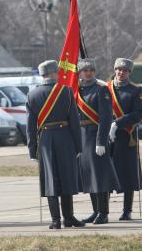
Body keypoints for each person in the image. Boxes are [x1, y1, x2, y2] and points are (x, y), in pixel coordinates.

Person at [26, 60, 84, 229]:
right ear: (53, 73)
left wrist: (32, 150)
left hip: (45, 139)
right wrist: (78, 146)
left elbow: (30, 127)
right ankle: (69, 218)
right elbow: (74, 121)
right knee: (66, 177)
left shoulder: (32, 95)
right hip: (65, 137)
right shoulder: (66, 91)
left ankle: (55, 220)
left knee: (50, 179)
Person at [76, 59, 120, 225]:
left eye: (91, 70)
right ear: (80, 72)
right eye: (85, 70)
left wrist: (101, 141)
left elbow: (106, 117)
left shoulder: (101, 90)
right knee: (89, 177)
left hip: (96, 136)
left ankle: (103, 213)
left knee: (100, 177)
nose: (88, 73)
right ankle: (95, 211)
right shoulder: (78, 90)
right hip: (82, 137)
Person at [108, 58, 142, 221]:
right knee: (106, 173)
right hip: (107, 136)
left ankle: (127, 210)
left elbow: (138, 114)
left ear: (129, 72)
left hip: (127, 136)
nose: (121, 72)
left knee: (128, 174)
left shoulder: (135, 90)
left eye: (125, 70)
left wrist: (118, 123)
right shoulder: (105, 88)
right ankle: (102, 210)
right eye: (119, 69)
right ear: (115, 70)